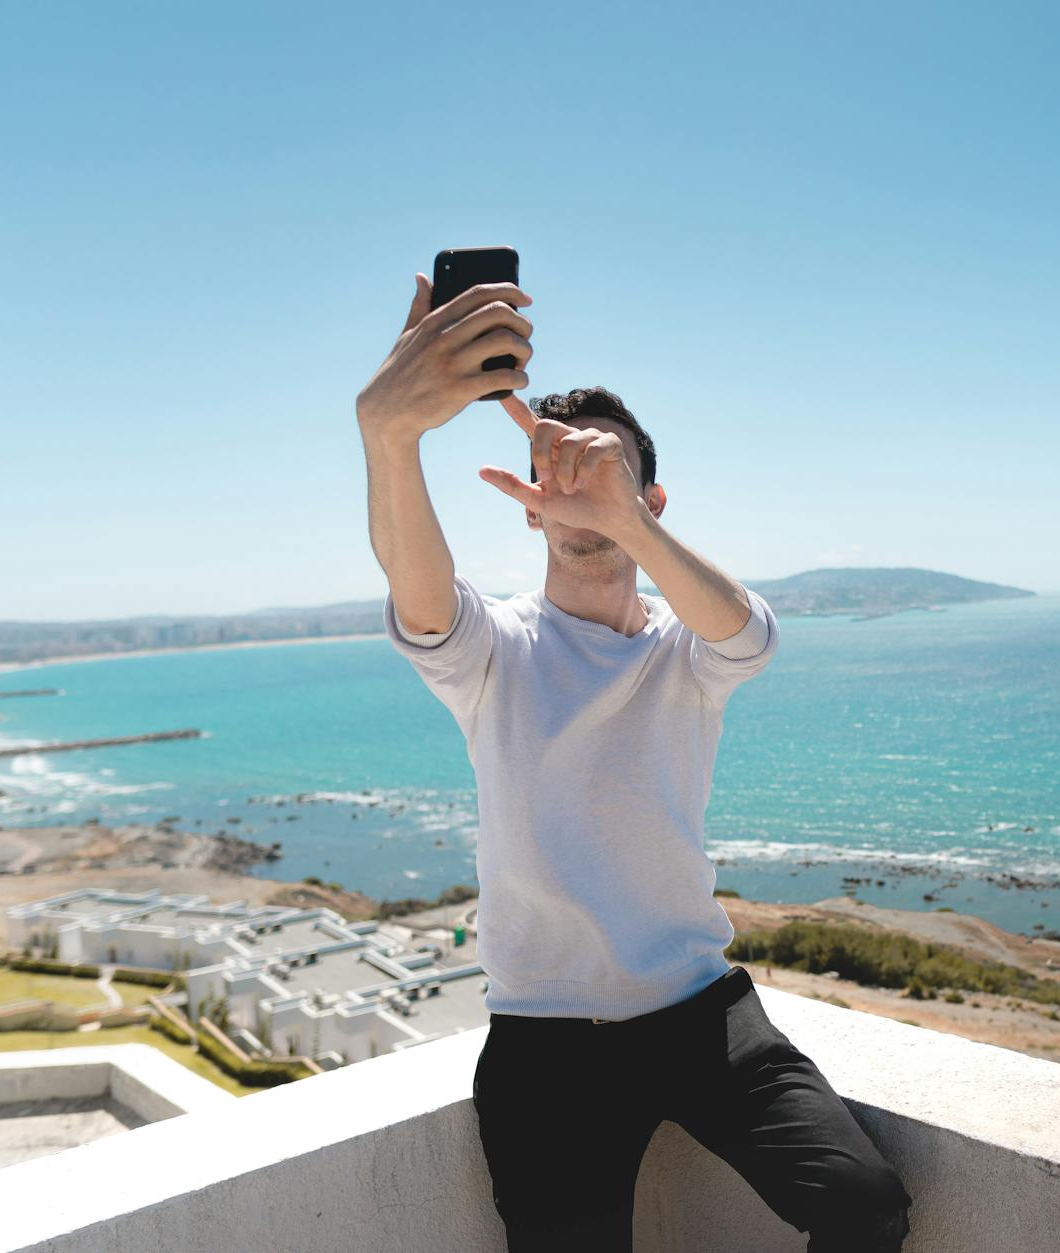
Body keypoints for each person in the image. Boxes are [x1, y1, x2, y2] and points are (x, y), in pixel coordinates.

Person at [355, 272, 913, 1251]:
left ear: (650, 498)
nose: (573, 493)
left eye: (601, 475)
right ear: (527, 509)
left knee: (862, 1202)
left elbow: (750, 634)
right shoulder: (495, 651)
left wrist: (627, 525)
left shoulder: (680, 649)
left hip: (703, 1016)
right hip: (543, 1042)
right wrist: (389, 436)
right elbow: (421, 592)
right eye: (553, 476)